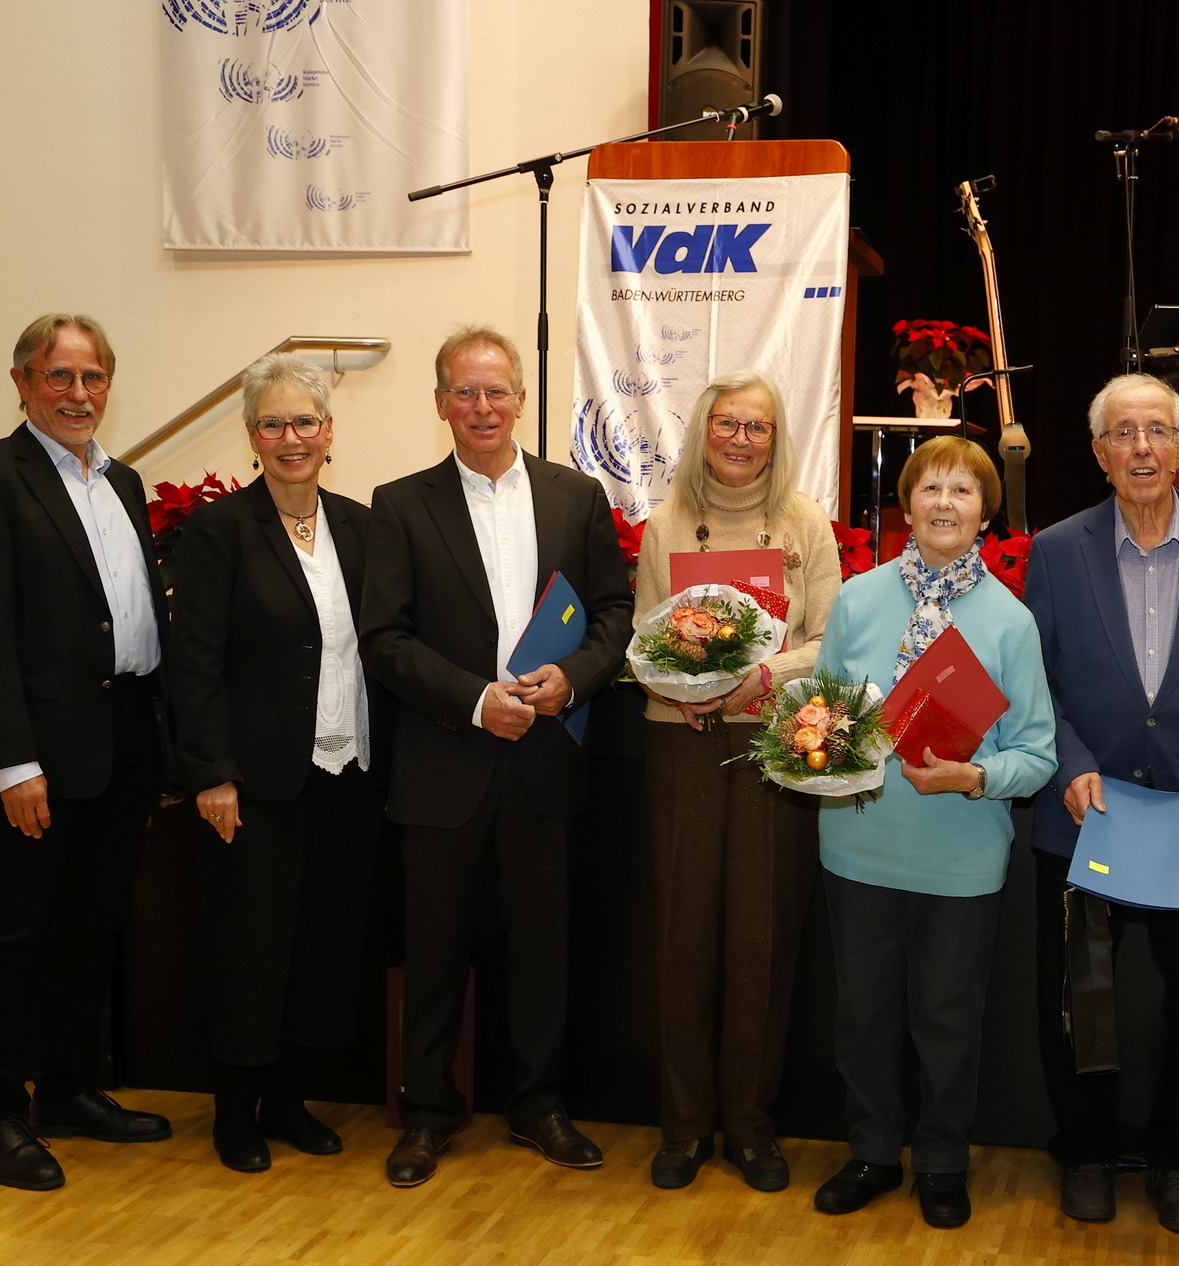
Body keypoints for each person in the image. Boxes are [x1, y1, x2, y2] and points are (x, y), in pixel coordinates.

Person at [359, 325, 632, 1188]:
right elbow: (386, 640)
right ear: (440, 403)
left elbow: (614, 616)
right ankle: (429, 1113)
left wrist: (573, 679)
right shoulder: (400, 504)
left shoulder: (574, 496)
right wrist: (478, 702)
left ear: (521, 397)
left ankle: (538, 1105)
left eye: (496, 391)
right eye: (463, 393)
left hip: (548, 760)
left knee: (542, 949)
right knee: (434, 950)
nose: (481, 407)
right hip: (445, 767)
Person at [1024, 372, 1179, 1235]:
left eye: (1155, 432)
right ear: (1097, 454)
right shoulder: (1054, 550)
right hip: (1086, 814)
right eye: (1121, 434)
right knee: (1083, 995)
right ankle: (1085, 1153)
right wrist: (1071, 763)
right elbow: (1035, 679)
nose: (1140, 449)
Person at [0, 314, 173, 1190]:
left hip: (123, 741)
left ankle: (69, 1089)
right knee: (21, 932)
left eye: (94, 377)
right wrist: (12, 763)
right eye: (60, 377)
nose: (79, 394)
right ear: (23, 382)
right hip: (40, 753)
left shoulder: (126, 482)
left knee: (92, 926)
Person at [810, 436, 1055, 1229]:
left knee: (948, 1018)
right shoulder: (857, 599)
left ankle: (943, 1161)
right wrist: (820, 742)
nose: (944, 503)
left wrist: (975, 777)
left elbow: (1037, 754)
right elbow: (826, 716)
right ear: (905, 505)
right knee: (863, 1013)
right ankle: (874, 1152)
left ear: (984, 513)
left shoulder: (1011, 621)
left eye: (962, 491)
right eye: (929, 489)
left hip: (960, 857)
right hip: (858, 845)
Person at [170, 352, 387, 1173]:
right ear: (252, 435)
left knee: (320, 947)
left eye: (305, 421)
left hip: (346, 776)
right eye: (273, 423)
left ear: (329, 432)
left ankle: (290, 1098)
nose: (290, 437)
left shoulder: (363, 527)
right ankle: (235, 1110)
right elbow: (194, 664)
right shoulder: (220, 533)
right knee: (249, 947)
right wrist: (212, 773)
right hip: (252, 785)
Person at [631, 371, 841, 1192]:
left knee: (762, 938)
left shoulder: (803, 522)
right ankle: (683, 1128)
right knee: (685, 936)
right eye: (727, 424)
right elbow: (645, 641)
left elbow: (827, 638)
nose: (741, 439)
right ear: (704, 433)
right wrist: (678, 687)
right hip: (680, 742)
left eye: (757, 427)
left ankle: (751, 1127)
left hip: (774, 742)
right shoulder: (666, 523)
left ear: (775, 437)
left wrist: (755, 680)